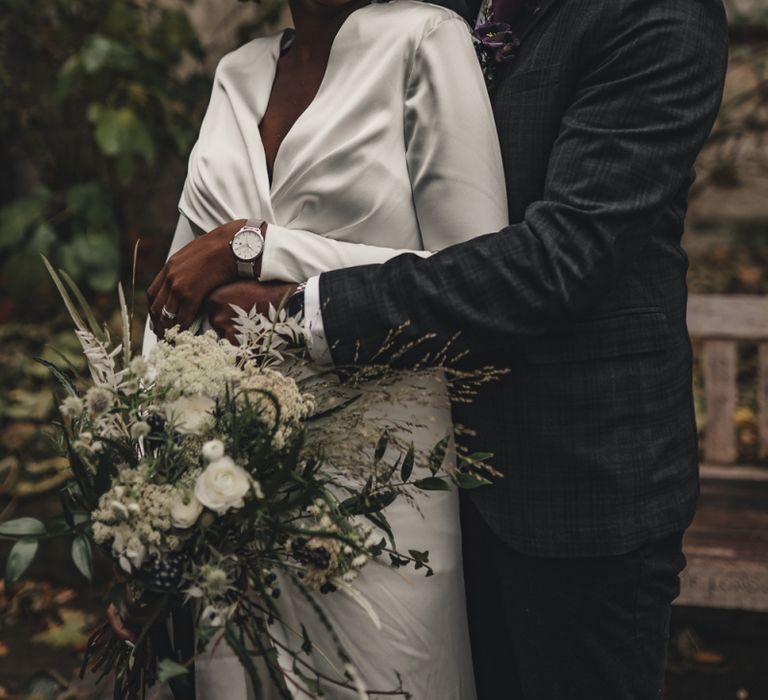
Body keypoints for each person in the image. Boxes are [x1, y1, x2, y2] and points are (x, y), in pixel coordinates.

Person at [183, 0, 729, 697]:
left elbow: (559, 261)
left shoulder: (662, 18)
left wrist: (298, 307)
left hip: (578, 485)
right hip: (419, 480)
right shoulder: (441, 14)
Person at [140, 0, 508, 697]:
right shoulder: (238, 71)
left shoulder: (425, 40)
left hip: (377, 484)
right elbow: (175, 290)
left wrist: (252, 248)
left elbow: (473, 275)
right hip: (227, 489)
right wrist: (145, 477)